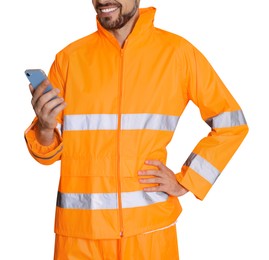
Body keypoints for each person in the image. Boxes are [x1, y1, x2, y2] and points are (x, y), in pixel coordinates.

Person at [24, 0, 249, 259]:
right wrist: (44, 126)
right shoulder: (69, 59)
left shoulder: (177, 54)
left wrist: (187, 181)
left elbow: (232, 124)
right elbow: (46, 152)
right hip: (80, 237)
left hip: (149, 234)